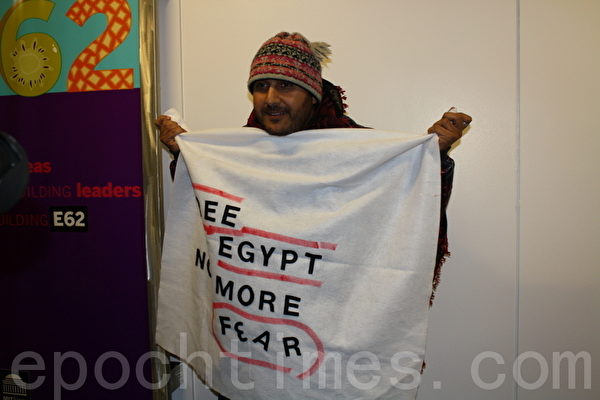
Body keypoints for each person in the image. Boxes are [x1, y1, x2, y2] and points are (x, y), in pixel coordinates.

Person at [155, 31, 471, 400]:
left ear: (312, 93)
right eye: (261, 86)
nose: (271, 98)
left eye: (286, 86)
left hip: (332, 358)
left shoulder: (360, 153)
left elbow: (404, 215)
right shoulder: (238, 156)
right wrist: (188, 157)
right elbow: (212, 220)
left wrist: (431, 159)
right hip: (252, 352)